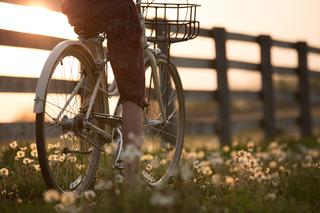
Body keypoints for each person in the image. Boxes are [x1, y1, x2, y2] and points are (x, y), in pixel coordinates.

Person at [61, 0, 145, 183]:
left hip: (77, 6)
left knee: (93, 65)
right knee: (132, 88)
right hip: (114, 7)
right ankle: (132, 179)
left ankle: (92, 110)